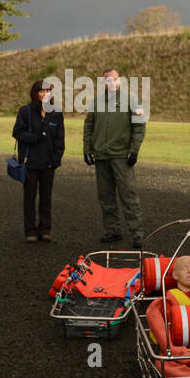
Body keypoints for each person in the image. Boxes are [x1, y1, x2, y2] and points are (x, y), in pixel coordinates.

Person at [83, 67, 146, 247]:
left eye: (113, 78)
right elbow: (88, 127)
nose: (110, 82)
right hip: (102, 156)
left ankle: (137, 233)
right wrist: (87, 150)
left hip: (121, 156)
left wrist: (134, 150)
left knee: (128, 195)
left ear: (120, 81)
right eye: (106, 79)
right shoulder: (96, 102)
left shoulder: (131, 100)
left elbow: (139, 127)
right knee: (105, 196)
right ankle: (112, 230)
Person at [12, 78, 65, 242]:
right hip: (30, 162)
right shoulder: (25, 111)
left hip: (48, 163)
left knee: (46, 197)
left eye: (47, 91)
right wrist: (35, 137)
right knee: (29, 197)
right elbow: (17, 133)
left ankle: (45, 229)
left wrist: (57, 158)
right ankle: (30, 231)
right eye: (41, 91)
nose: (44, 94)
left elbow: (60, 138)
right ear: (35, 93)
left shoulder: (56, 113)